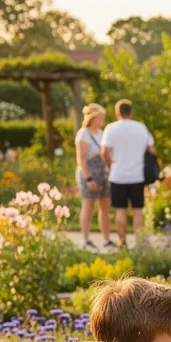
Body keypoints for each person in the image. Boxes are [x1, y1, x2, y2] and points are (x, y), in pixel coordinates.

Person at [101, 99, 155, 249]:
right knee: (138, 210)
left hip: (118, 175)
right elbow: (152, 150)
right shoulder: (141, 128)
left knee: (121, 209)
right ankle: (139, 243)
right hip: (137, 176)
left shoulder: (111, 128)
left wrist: (111, 165)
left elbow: (104, 152)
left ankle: (122, 242)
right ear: (131, 112)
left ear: (117, 112)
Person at [75, 103, 112, 251]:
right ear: (93, 118)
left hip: (103, 174)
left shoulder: (101, 132)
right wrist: (88, 179)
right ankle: (85, 239)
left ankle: (107, 239)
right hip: (89, 174)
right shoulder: (83, 133)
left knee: (105, 208)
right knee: (88, 207)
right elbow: (81, 158)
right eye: (100, 117)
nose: (102, 119)